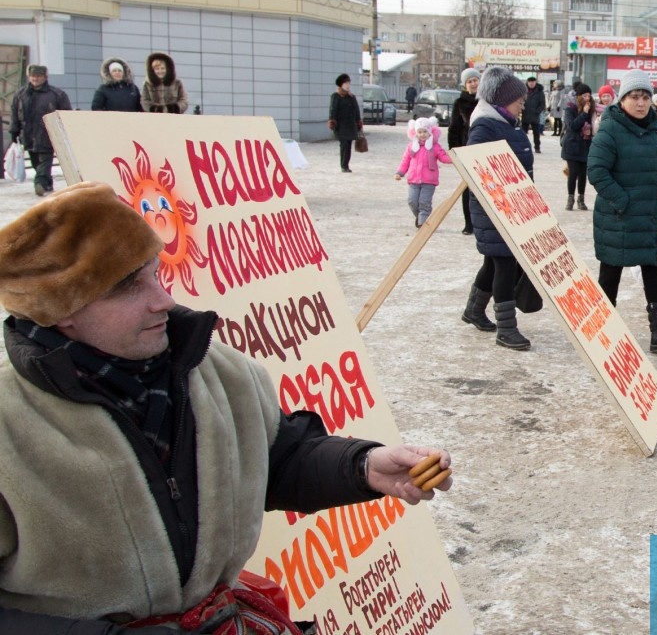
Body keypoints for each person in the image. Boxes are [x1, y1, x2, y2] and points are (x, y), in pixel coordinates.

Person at [0, 181, 452, 633]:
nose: (163, 299)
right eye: (127, 288)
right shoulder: (9, 422)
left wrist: (362, 466)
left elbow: (276, 457)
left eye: (155, 273)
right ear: (61, 309)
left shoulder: (216, 371)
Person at [586, 69, 657, 353]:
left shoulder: (655, 128)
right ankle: (604, 332)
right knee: (610, 274)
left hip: (650, 214)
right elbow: (597, 171)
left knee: (655, 271)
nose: (641, 103)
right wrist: (623, 201)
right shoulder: (610, 128)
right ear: (623, 99)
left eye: (645, 97)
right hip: (619, 217)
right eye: (634, 97)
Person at [461, 67, 533, 350]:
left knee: (493, 261)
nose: (522, 104)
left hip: (513, 208)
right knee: (504, 262)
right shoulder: (484, 127)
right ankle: (506, 328)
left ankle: (474, 310)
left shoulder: (506, 124)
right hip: (495, 209)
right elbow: (477, 167)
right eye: (519, 100)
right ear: (502, 99)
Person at [9, 64, 72, 197]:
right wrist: (14, 131)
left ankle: (40, 183)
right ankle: (47, 183)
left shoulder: (56, 94)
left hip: (47, 135)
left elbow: (65, 114)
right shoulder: (21, 95)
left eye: (38, 76)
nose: (35, 79)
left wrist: (66, 131)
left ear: (45, 77)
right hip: (28, 135)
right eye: (32, 76)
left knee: (44, 161)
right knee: (36, 163)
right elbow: (15, 115)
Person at [395, 117, 452, 229]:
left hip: (429, 180)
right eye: (420, 132)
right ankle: (421, 217)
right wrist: (400, 173)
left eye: (425, 131)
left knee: (424, 202)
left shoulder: (434, 146)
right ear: (415, 132)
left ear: (430, 132)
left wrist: (454, 158)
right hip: (414, 180)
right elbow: (405, 160)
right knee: (412, 201)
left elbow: (443, 157)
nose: (422, 134)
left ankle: (423, 224)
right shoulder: (412, 146)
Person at [447, 67, 480, 235]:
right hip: (466, 150)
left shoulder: (487, 101)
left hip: (484, 150)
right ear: (465, 85)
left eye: (475, 80)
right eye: (470, 81)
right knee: (468, 189)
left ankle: (485, 223)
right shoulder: (460, 103)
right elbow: (454, 129)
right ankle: (469, 223)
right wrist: (455, 152)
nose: (473, 84)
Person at [560, 83, 594, 211]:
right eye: (585, 95)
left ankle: (581, 199)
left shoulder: (591, 110)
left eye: (589, 96)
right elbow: (572, 126)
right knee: (573, 173)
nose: (587, 98)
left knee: (582, 174)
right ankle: (570, 199)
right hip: (572, 146)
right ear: (579, 96)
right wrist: (584, 114)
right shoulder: (570, 109)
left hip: (585, 146)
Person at [327, 73, 363, 173]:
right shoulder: (336, 96)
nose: (348, 85)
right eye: (346, 83)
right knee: (344, 145)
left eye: (349, 83)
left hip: (351, 125)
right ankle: (344, 165)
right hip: (341, 126)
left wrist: (358, 122)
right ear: (341, 84)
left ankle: (346, 164)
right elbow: (333, 110)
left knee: (348, 144)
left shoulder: (351, 96)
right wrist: (332, 121)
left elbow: (356, 111)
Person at [521, 75, 546, 154]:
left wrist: (537, 111)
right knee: (523, 133)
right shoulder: (523, 91)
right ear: (527, 83)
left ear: (535, 82)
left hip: (535, 116)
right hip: (525, 114)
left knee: (536, 133)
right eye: (530, 82)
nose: (531, 84)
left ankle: (537, 147)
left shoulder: (540, 92)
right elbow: (520, 100)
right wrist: (521, 109)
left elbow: (542, 104)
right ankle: (523, 147)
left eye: (533, 82)